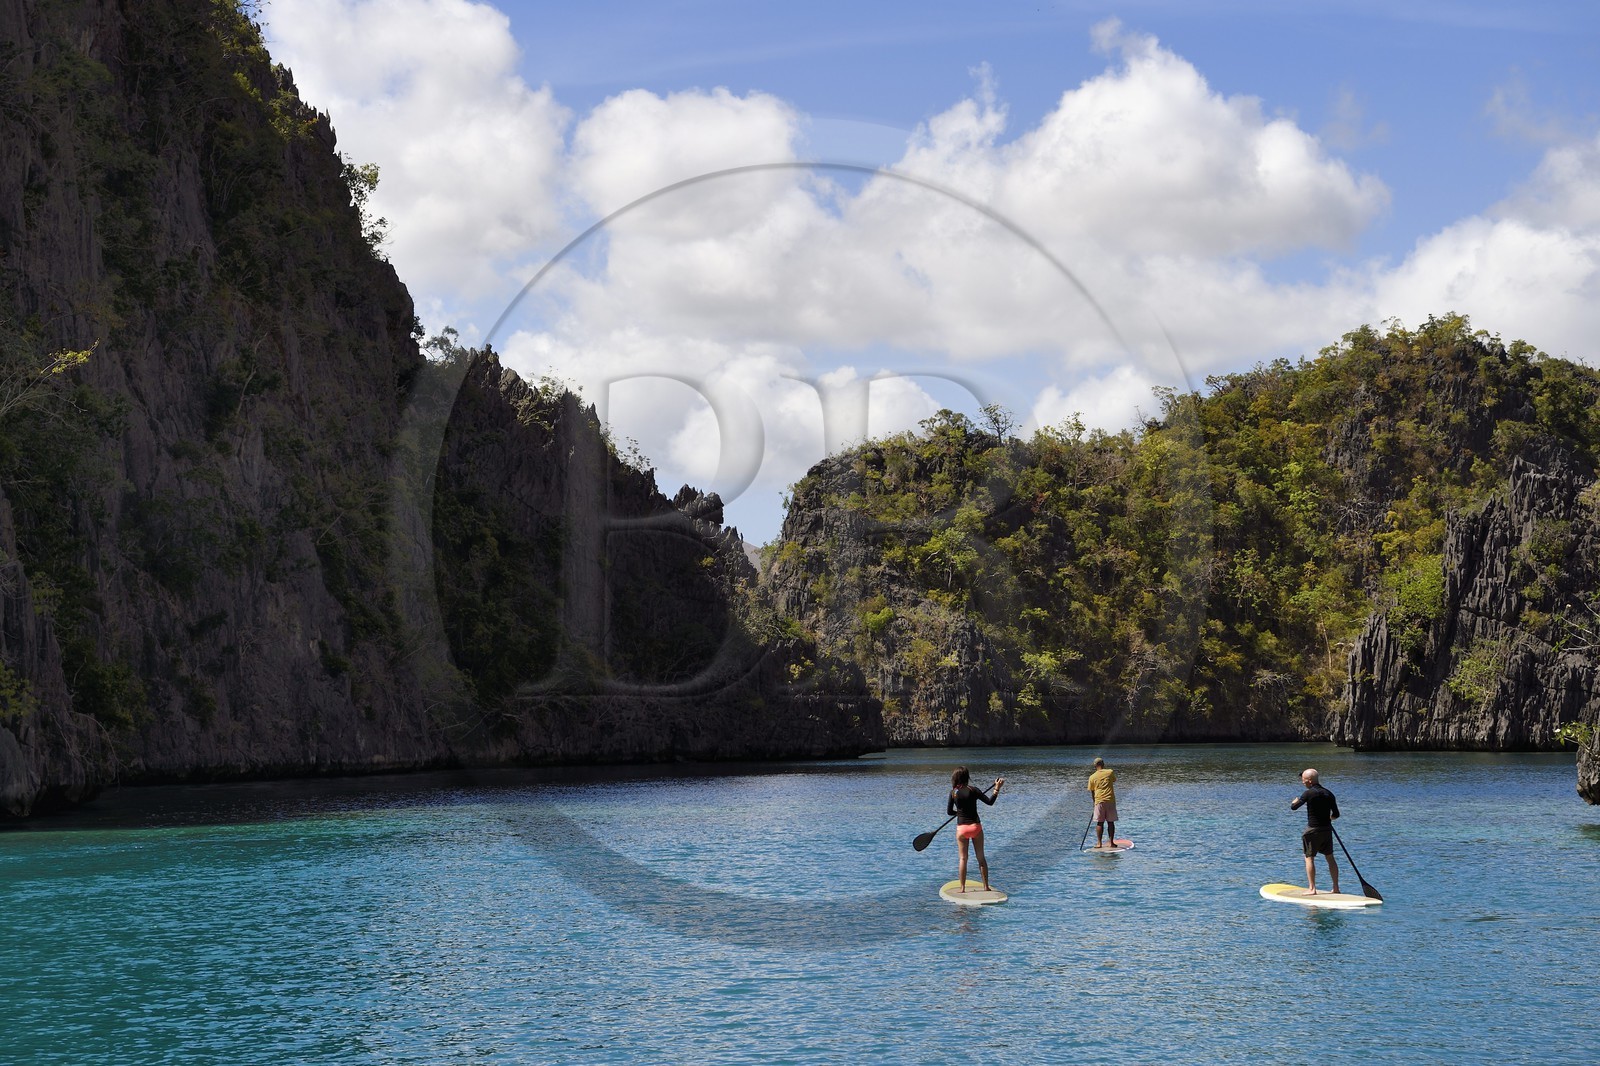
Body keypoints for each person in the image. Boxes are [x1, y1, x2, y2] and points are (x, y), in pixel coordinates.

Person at [948, 767, 1004, 890]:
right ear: (967, 777)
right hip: (975, 827)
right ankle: (986, 886)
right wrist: (996, 788)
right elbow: (990, 802)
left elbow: (949, 812)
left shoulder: (954, 792)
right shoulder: (973, 790)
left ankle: (962, 888)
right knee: (981, 857)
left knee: (963, 858)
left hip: (962, 829)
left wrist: (958, 813)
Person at [1289, 767, 1341, 895]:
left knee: (1309, 858)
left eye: (1304, 780)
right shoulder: (1329, 793)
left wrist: (1294, 802)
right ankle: (1336, 888)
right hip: (1327, 830)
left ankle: (1312, 889)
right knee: (1330, 858)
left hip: (1312, 831)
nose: (1302, 782)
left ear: (1310, 781)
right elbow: (1336, 814)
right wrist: (1328, 818)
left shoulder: (1308, 793)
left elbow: (1294, 807)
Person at [1086, 757, 1118, 848]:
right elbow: (1114, 780)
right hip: (1110, 800)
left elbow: (1092, 791)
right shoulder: (1110, 772)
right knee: (1110, 822)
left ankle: (1099, 843)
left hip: (1099, 801)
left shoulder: (1092, 777)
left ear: (1095, 766)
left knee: (1100, 823)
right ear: (1103, 764)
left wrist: (1094, 803)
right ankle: (1111, 843)